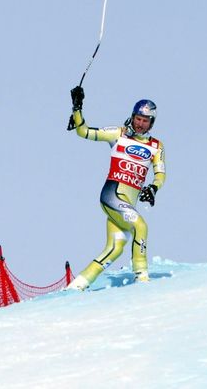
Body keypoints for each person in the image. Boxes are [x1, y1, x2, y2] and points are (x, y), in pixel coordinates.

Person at [66, 85, 166, 291]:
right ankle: (142, 278)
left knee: (115, 247)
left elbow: (160, 173)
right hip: (112, 195)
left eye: (145, 121)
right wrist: (77, 109)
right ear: (132, 117)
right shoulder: (118, 134)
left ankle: (77, 286)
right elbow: (83, 132)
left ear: (151, 123)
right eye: (138, 118)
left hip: (127, 203)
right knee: (141, 227)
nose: (140, 124)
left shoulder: (156, 146)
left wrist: (154, 188)